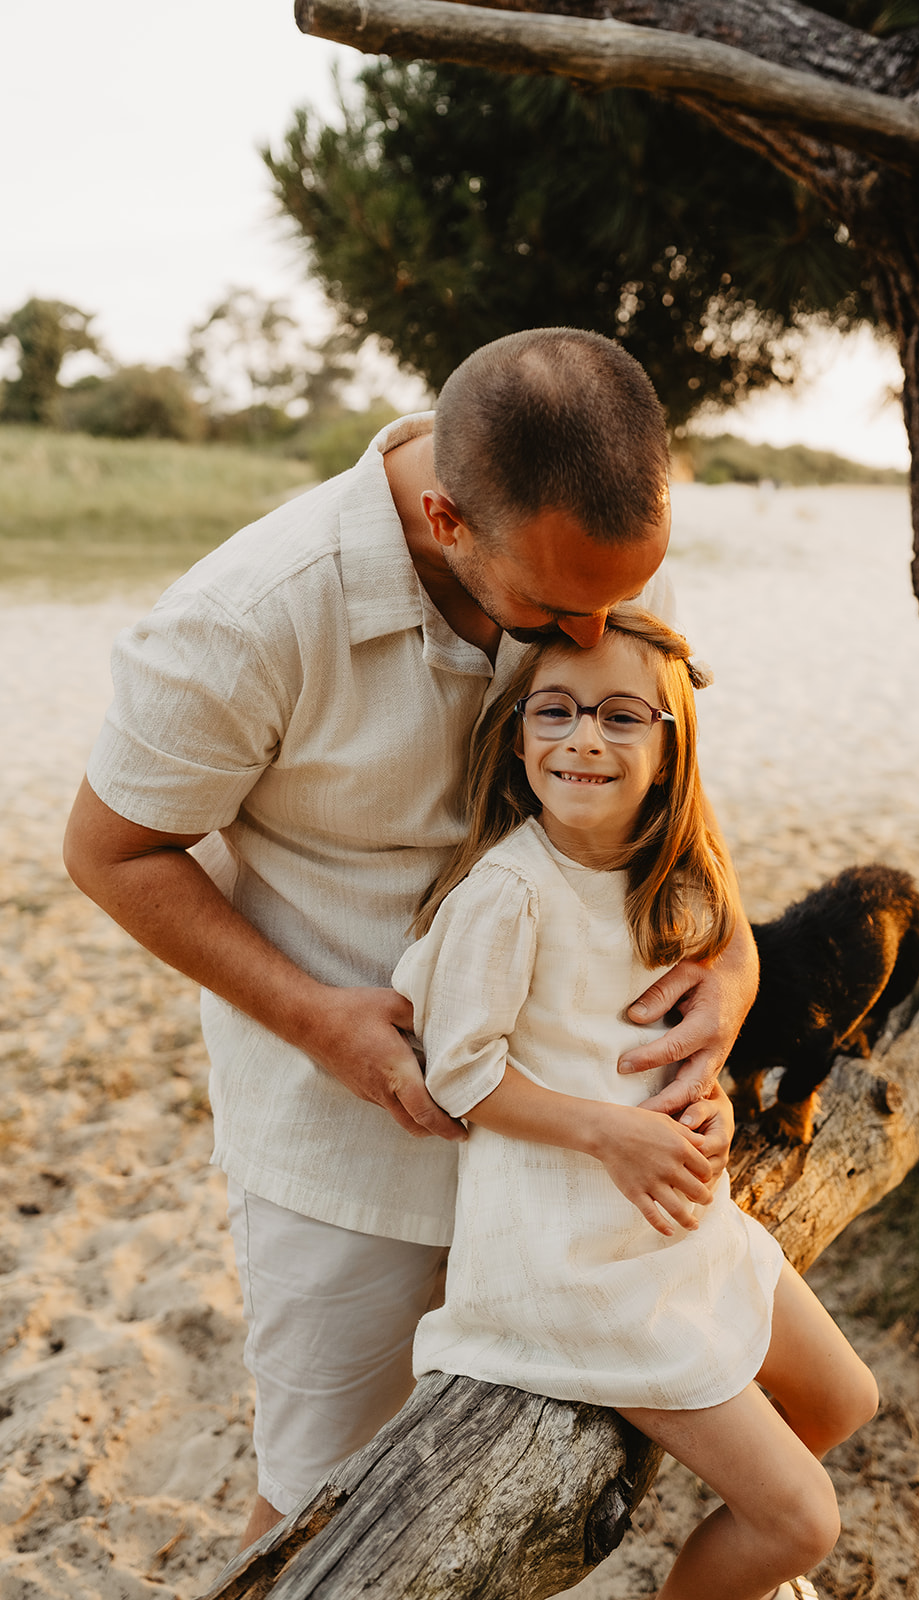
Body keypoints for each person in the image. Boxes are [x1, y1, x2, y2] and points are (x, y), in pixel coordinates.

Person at [62, 328, 760, 1546]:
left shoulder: (586, 560)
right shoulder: (246, 615)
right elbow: (110, 850)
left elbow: (669, 780)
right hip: (353, 1145)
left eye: (621, 594)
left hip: (576, 1137)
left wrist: (733, 959)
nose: (597, 625)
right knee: (319, 1503)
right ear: (446, 519)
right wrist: (316, 1019)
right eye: (560, 609)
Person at [394, 607, 879, 1600]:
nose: (582, 738)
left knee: (843, 1399)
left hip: (671, 1218)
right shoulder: (510, 894)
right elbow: (460, 1072)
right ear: (516, 734)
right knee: (802, 1520)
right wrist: (610, 1133)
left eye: (620, 716)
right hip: (568, 1258)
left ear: (668, 752)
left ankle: (743, 1565)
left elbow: (659, 1046)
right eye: (555, 711)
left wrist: (710, 1106)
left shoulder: (670, 879)